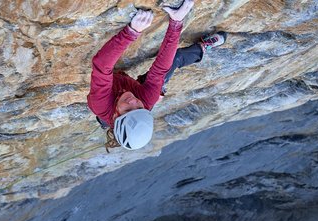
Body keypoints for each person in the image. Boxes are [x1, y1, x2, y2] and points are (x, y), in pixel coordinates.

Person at [87, 0, 226, 151]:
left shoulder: (101, 104)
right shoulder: (146, 100)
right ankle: (202, 47)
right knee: (175, 59)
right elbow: (161, 67)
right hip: (137, 89)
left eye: (128, 110)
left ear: (115, 117)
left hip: (108, 103)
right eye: (138, 108)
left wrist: (131, 32)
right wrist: (176, 22)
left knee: (102, 115)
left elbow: (102, 65)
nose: (133, 101)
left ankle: (105, 122)